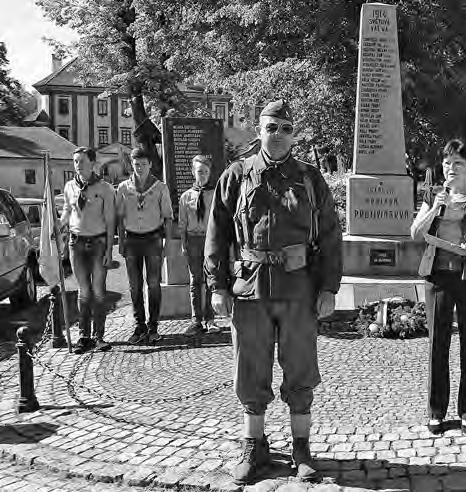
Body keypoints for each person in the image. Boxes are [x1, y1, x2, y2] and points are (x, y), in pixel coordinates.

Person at [204, 100, 342, 484]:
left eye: (285, 128)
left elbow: (330, 236)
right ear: (259, 130)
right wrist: (217, 285)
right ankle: (254, 445)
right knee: (250, 367)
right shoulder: (237, 175)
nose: (277, 134)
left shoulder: (310, 179)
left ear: (293, 134)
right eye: (271, 127)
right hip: (250, 286)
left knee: (300, 366)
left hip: (299, 287)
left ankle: (301, 447)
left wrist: (329, 287)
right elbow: (217, 233)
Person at [410, 139, 466, 437]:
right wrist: (434, 209)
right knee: (438, 344)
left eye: (458, 163)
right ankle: (436, 411)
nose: (451, 168)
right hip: (438, 277)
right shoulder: (432, 195)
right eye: (447, 163)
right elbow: (416, 232)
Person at [59, 147, 116, 354]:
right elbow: (67, 211)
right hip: (76, 243)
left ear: (93, 163)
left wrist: (110, 250)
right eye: (75, 161)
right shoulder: (69, 187)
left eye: (82, 161)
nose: (78, 165)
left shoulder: (106, 188)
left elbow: (111, 221)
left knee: (99, 291)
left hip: (98, 244)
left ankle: (98, 336)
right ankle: (84, 337)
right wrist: (58, 226)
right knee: (83, 291)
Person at [116, 147, 174, 344]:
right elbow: (119, 217)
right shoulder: (123, 188)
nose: (139, 168)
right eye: (136, 164)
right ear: (131, 165)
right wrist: (121, 241)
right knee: (134, 286)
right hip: (132, 240)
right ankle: (139, 325)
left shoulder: (160, 188)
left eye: (143, 164)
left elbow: (167, 218)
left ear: (150, 164)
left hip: (153, 239)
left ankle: (153, 326)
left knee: (154, 284)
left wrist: (166, 244)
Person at [179, 155, 217, 336]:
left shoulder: (216, 194)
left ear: (210, 173)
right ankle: (196, 320)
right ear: (193, 172)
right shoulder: (186, 196)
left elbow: (218, 221)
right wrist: (184, 244)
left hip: (210, 240)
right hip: (193, 240)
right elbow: (182, 223)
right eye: (199, 171)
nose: (202, 175)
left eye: (205, 172)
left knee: (211, 279)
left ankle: (211, 319)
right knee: (195, 281)